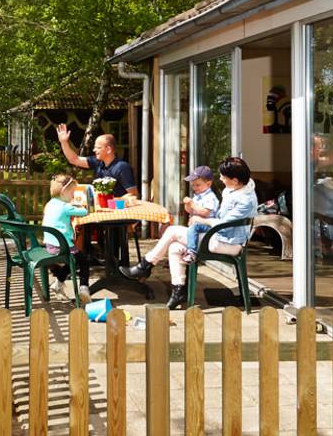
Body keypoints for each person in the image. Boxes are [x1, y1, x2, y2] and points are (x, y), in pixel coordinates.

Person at [125, 157, 258, 309]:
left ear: (235, 180)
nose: (220, 179)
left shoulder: (245, 200)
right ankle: (178, 291)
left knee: (172, 231)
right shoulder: (233, 189)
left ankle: (145, 265)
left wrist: (201, 220)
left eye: (223, 176)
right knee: (174, 247)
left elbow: (224, 224)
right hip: (219, 236)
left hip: (229, 243)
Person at [41, 173, 91, 296]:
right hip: (63, 246)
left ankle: (57, 284)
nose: (73, 195)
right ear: (64, 191)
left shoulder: (50, 204)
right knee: (84, 261)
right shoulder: (64, 207)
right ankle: (84, 289)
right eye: (72, 192)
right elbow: (84, 211)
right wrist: (84, 203)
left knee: (72, 261)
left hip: (50, 245)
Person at [55, 126, 138, 196]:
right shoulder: (98, 162)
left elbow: (134, 195)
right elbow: (74, 159)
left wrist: (113, 202)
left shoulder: (122, 167)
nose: (94, 150)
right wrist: (64, 142)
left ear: (108, 149)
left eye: (98, 147)